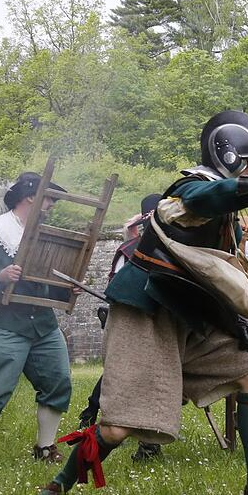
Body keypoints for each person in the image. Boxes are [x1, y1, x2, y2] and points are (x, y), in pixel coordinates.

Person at [28, 110, 248, 495]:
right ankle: (55, 490)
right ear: (228, 156)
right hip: (145, 313)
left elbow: (211, 275)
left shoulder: (229, 216)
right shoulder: (187, 193)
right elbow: (208, 199)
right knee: (116, 427)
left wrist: (236, 324)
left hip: (188, 316)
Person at [0, 172, 73, 467]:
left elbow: (48, 278)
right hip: (3, 322)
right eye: (49, 198)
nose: (52, 205)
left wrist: (66, 287)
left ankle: (45, 448)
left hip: (43, 323)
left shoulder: (44, 233)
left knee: (57, 380)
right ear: (30, 196)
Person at [77, 193, 165, 462]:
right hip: (132, 324)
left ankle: (147, 442)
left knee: (153, 380)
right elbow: (116, 290)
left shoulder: (170, 245)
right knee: (127, 376)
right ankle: (98, 419)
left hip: (163, 325)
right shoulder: (129, 250)